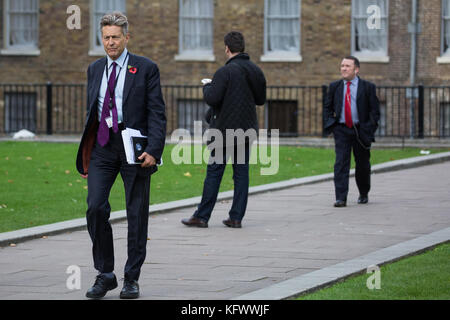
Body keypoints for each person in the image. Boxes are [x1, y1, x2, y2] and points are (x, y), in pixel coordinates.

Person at [75, 12, 166, 299]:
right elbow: (93, 110)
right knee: (95, 207)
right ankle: (105, 274)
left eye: (115, 37)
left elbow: (157, 112)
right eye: (106, 38)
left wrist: (153, 149)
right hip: (103, 146)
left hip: (134, 149)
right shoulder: (94, 69)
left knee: (136, 214)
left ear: (127, 37)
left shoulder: (145, 68)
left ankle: (131, 278)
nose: (111, 42)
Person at [181, 31, 266, 229]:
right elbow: (260, 100)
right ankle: (236, 217)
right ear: (242, 47)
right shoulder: (256, 71)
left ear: (227, 48)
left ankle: (202, 216)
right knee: (241, 174)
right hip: (246, 130)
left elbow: (212, 98)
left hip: (224, 131)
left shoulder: (224, 72)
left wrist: (207, 86)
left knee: (214, 173)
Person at [323, 56, 380, 207]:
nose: (344, 69)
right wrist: (332, 125)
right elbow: (327, 108)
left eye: (347, 66)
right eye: (342, 66)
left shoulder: (367, 87)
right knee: (341, 163)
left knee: (362, 164)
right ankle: (340, 198)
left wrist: (368, 129)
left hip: (360, 130)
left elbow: (375, 112)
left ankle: (363, 192)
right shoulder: (335, 86)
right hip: (341, 129)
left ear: (356, 69)